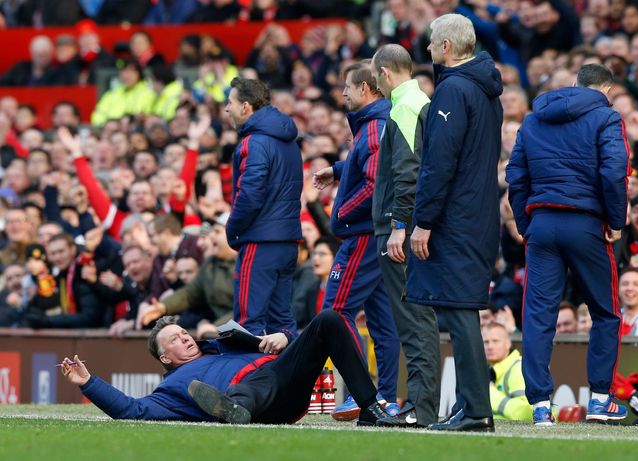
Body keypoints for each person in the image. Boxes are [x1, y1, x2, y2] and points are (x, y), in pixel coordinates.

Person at [506, 63, 630, 425]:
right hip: (586, 223)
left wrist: (526, 222)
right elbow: (614, 171)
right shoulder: (607, 117)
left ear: (575, 83)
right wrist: (616, 221)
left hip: (542, 224)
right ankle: (600, 400)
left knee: (537, 317)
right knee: (605, 313)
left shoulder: (533, 118)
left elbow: (515, 174)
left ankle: (541, 405)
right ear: (606, 90)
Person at [406, 14, 502, 433]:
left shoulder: (452, 90)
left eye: (430, 43)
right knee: (462, 308)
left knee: (461, 311)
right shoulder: (486, 90)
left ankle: (476, 409)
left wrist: (423, 220)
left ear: (446, 46)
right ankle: (474, 406)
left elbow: (439, 162)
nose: (427, 50)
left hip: (456, 216)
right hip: (478, 211)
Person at [60, 310, 391, 425]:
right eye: (174, 340)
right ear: (164, 358)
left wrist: (283, 337)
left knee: (329, 320)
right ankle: (232, 408)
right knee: (240, 389)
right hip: (257, 400)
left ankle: (370, 407)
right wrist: (89, 383)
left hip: (283, 379)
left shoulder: (225, 342)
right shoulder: (171, 390)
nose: (185, 338)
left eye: (183, 333)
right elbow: (131, 411)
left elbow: (280, 343)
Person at [313, 61, 401, 419]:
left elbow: (376, 180)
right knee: (381, 320)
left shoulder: (374, 125)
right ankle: (386, 398)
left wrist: (343, 212)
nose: (343, 94)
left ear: (365, 89)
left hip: (362, 234)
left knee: (337, 312)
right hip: (372, 233)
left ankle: (361, 393)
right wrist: (337, 170)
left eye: (347, 88)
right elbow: (366, 165)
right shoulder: (372, 125)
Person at [368, 44, 440, 428]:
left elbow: (408, 172)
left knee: (413, 319)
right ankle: (420, 405)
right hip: (404, 225)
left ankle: (419, 407)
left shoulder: (405, 106)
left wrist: (399, 225)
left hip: (400, 230)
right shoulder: (414, 102)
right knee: (415, 318)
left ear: (383, 72)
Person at [225, 77, 302, 350]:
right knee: (282, 323)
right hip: (288, 240)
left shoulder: (253, 142)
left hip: (260, 241)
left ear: (245, 107)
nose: (226, 109)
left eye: (230, 103)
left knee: (249, 325)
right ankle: (289, 388)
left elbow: (250, 194)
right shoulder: (289, 141)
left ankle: (249, 391)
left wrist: (232, 229)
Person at [482, 322, 533, 421]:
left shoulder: (519, 368)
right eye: (486, 342)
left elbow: (527, 413)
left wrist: (492, 396)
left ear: (508, 343)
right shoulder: (488, 370)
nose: (490, 347)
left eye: (495, 341)